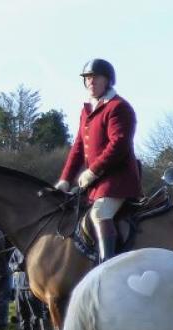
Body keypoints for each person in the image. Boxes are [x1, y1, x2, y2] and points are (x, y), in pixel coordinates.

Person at [55, 59, 142, 263]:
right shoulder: (87, 111)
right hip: (95, 185)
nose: (90, 82)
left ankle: (107, 264)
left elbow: (119, 144)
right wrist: (65, 179)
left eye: (95, 78)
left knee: (100, 214)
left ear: (108, 80)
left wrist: (93, 171)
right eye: (87, 78)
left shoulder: (118, 107)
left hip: (117, 182)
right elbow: (78, 147)